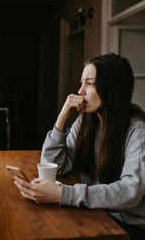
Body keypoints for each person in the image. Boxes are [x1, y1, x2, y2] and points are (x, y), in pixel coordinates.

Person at [14, 53, 145, 239]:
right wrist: (62, 119)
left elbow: (131, 191)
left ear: (112, 88)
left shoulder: (138, 130)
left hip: (129, 227)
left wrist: (63, 194)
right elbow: (57, 167)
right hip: (96, 211)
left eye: (89, 83)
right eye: (82, 82)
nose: (80, 91)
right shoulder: (86, 121)